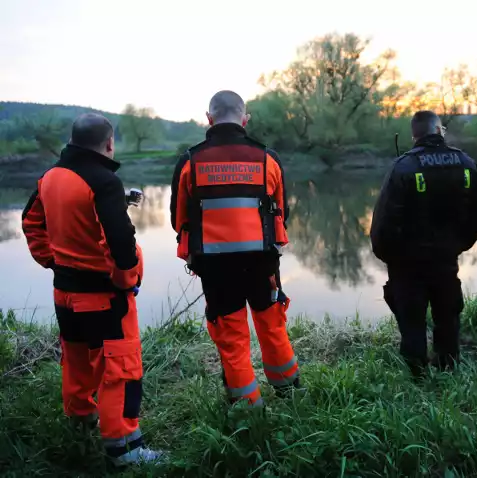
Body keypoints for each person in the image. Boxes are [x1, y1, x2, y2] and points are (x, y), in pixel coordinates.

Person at [21, 113, 162, 468]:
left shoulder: (50, 177)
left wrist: (51, 261)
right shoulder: (104, 182)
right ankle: (124, 450)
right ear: (109, 143)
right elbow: (121, 243)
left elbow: (31, 222)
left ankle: (82, 420)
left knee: (78, 361)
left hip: (64, 295)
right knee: (120, 371)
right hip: (102, 298)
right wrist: (126, 281)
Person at [170, 90, 303, 407]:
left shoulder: (190, 161)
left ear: (209, 119)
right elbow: (282, 212)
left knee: (231, 335)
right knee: (271, 325)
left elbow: (179, 220)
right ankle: (289, 391)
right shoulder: (267, 159)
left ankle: (247, 408)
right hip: (262, 262)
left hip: (215, 267)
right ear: (245, 119)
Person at [370, 110, 477, 377]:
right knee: (448, 314)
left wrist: (388, 255)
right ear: (439, 130)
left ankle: (416, 376)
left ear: (414, 135)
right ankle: (448, 368)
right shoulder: (466, 163)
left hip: (407, 262)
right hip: (447, 258)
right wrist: (460, 244)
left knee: (411, 320)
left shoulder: (403, 166)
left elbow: (383, 221)